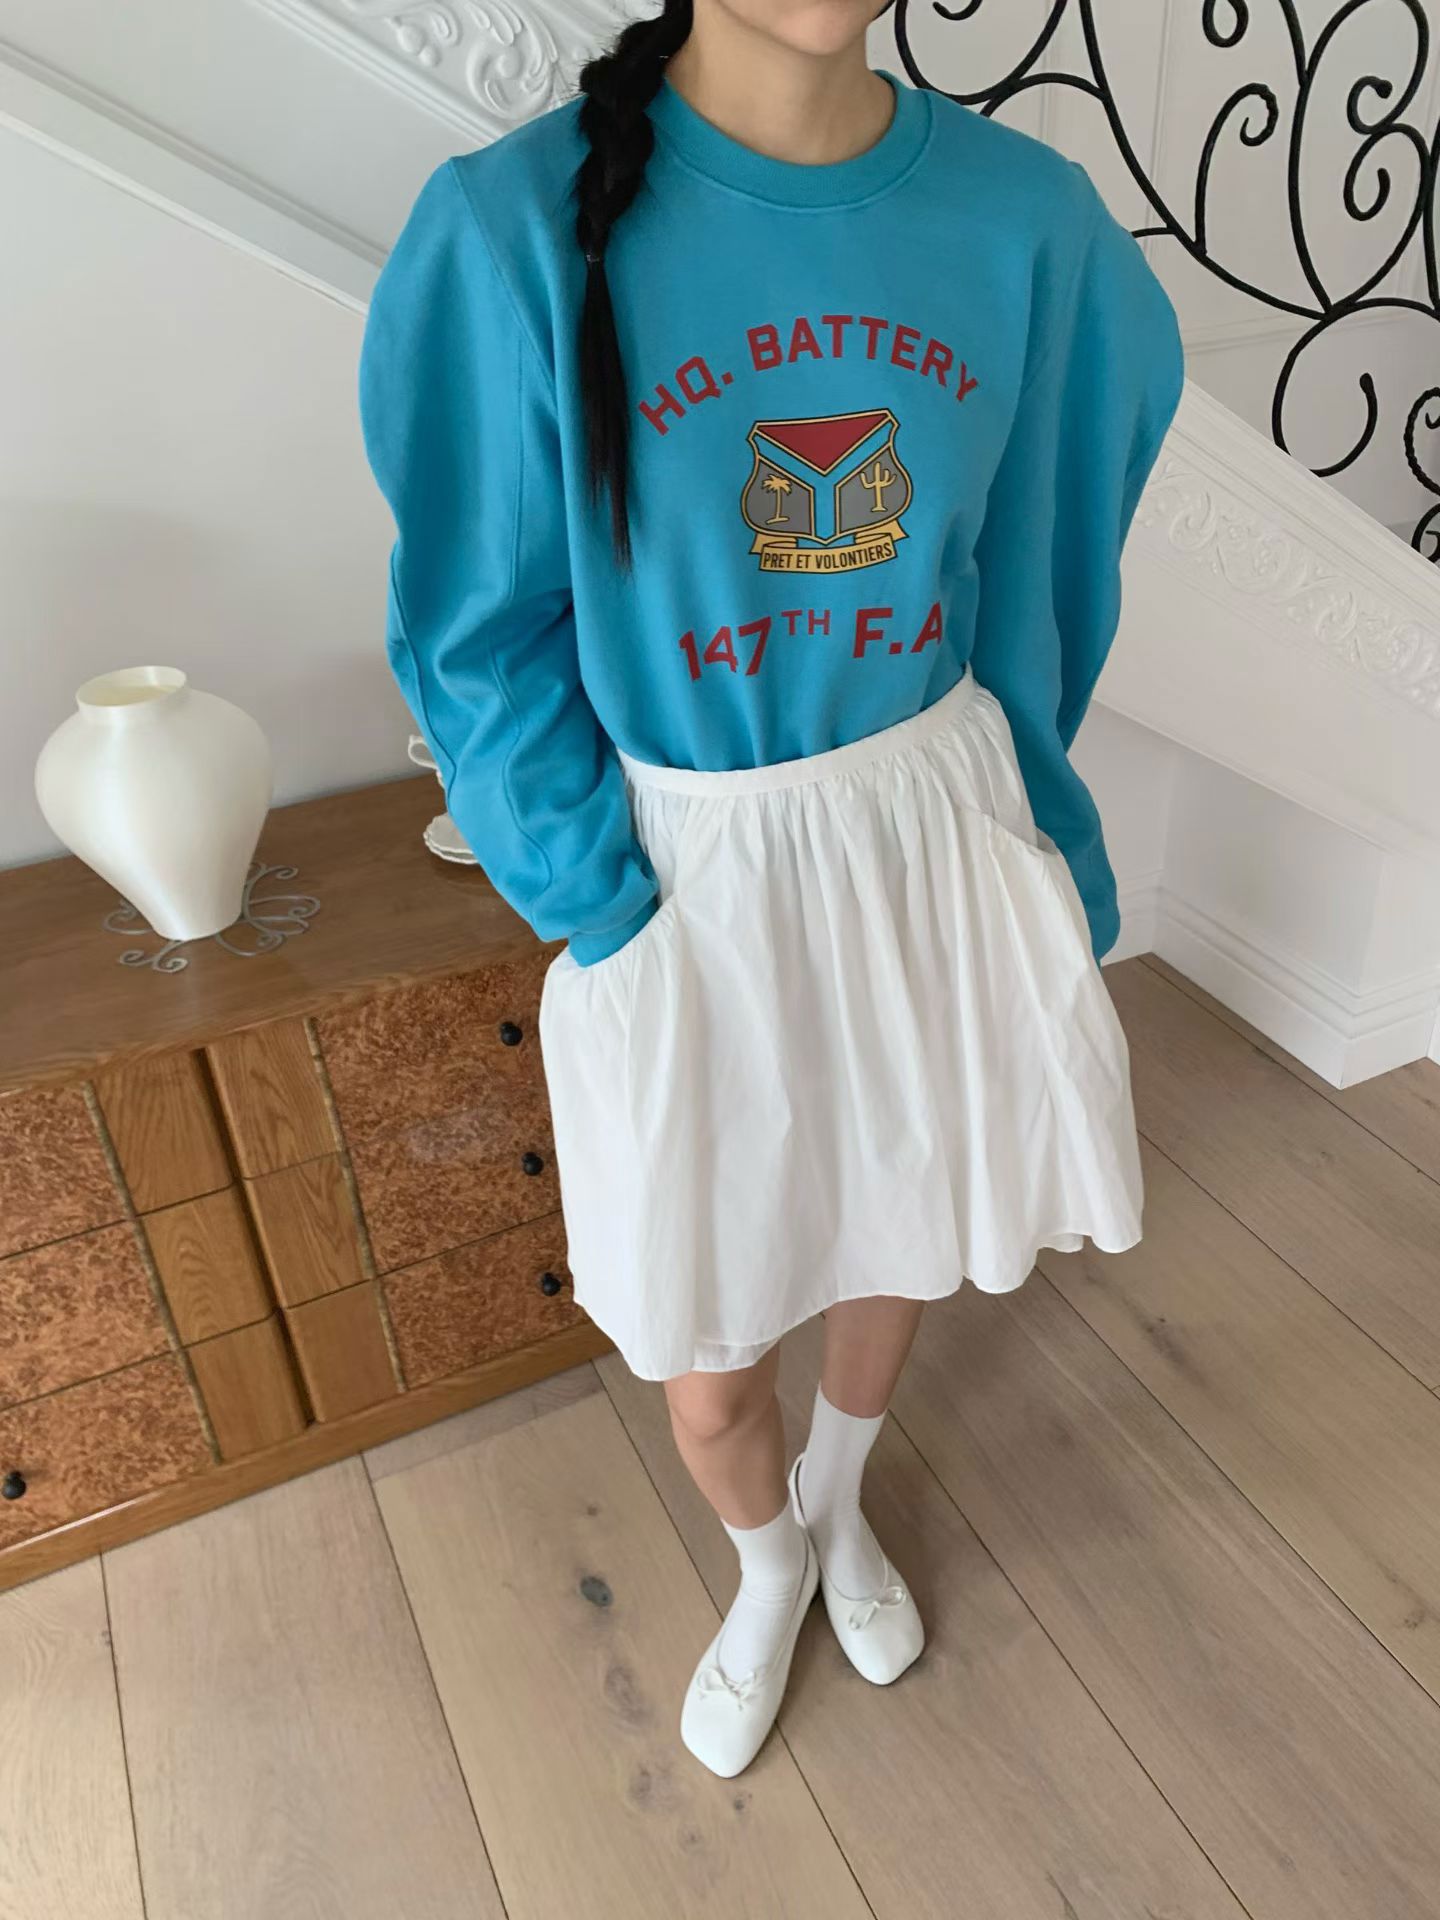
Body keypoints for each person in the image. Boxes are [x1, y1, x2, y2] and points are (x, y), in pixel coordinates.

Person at [358, 0, 1183, 1779]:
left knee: (901, 1221)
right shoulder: (511, 230)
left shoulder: (1027, 223)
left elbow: (1044, 567)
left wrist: (1041, 840)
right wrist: (595, 899)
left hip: (926, 829)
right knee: (708, 1342)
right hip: (681, 869)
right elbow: (477, 634)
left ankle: (842, 1495)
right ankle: (767, 1559)